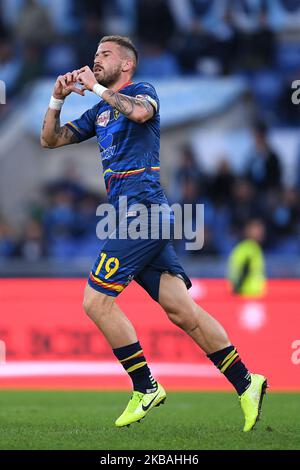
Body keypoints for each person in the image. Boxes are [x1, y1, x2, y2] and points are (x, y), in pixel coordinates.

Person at [40, 35, 267, 431]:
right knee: (183, 311)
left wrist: (94, 88)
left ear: (126, 64)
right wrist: (57, 98)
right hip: (132, 217)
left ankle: (145, 386)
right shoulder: (99, 112)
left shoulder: (143, 92)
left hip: (143, 213)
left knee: (96, 302)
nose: (96, 60)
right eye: (94, 55)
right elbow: (50, 139)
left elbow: (140, 115)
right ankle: (247, 382)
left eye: (105, 55)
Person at [228, 219, 266, 297]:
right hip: (246, 295)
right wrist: (237, 290)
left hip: (253, 295)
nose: (260, 232)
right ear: (248, 230)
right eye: (256, 229)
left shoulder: (254, 248)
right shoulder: (247, 249)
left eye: (261, 229)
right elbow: (239, 273)